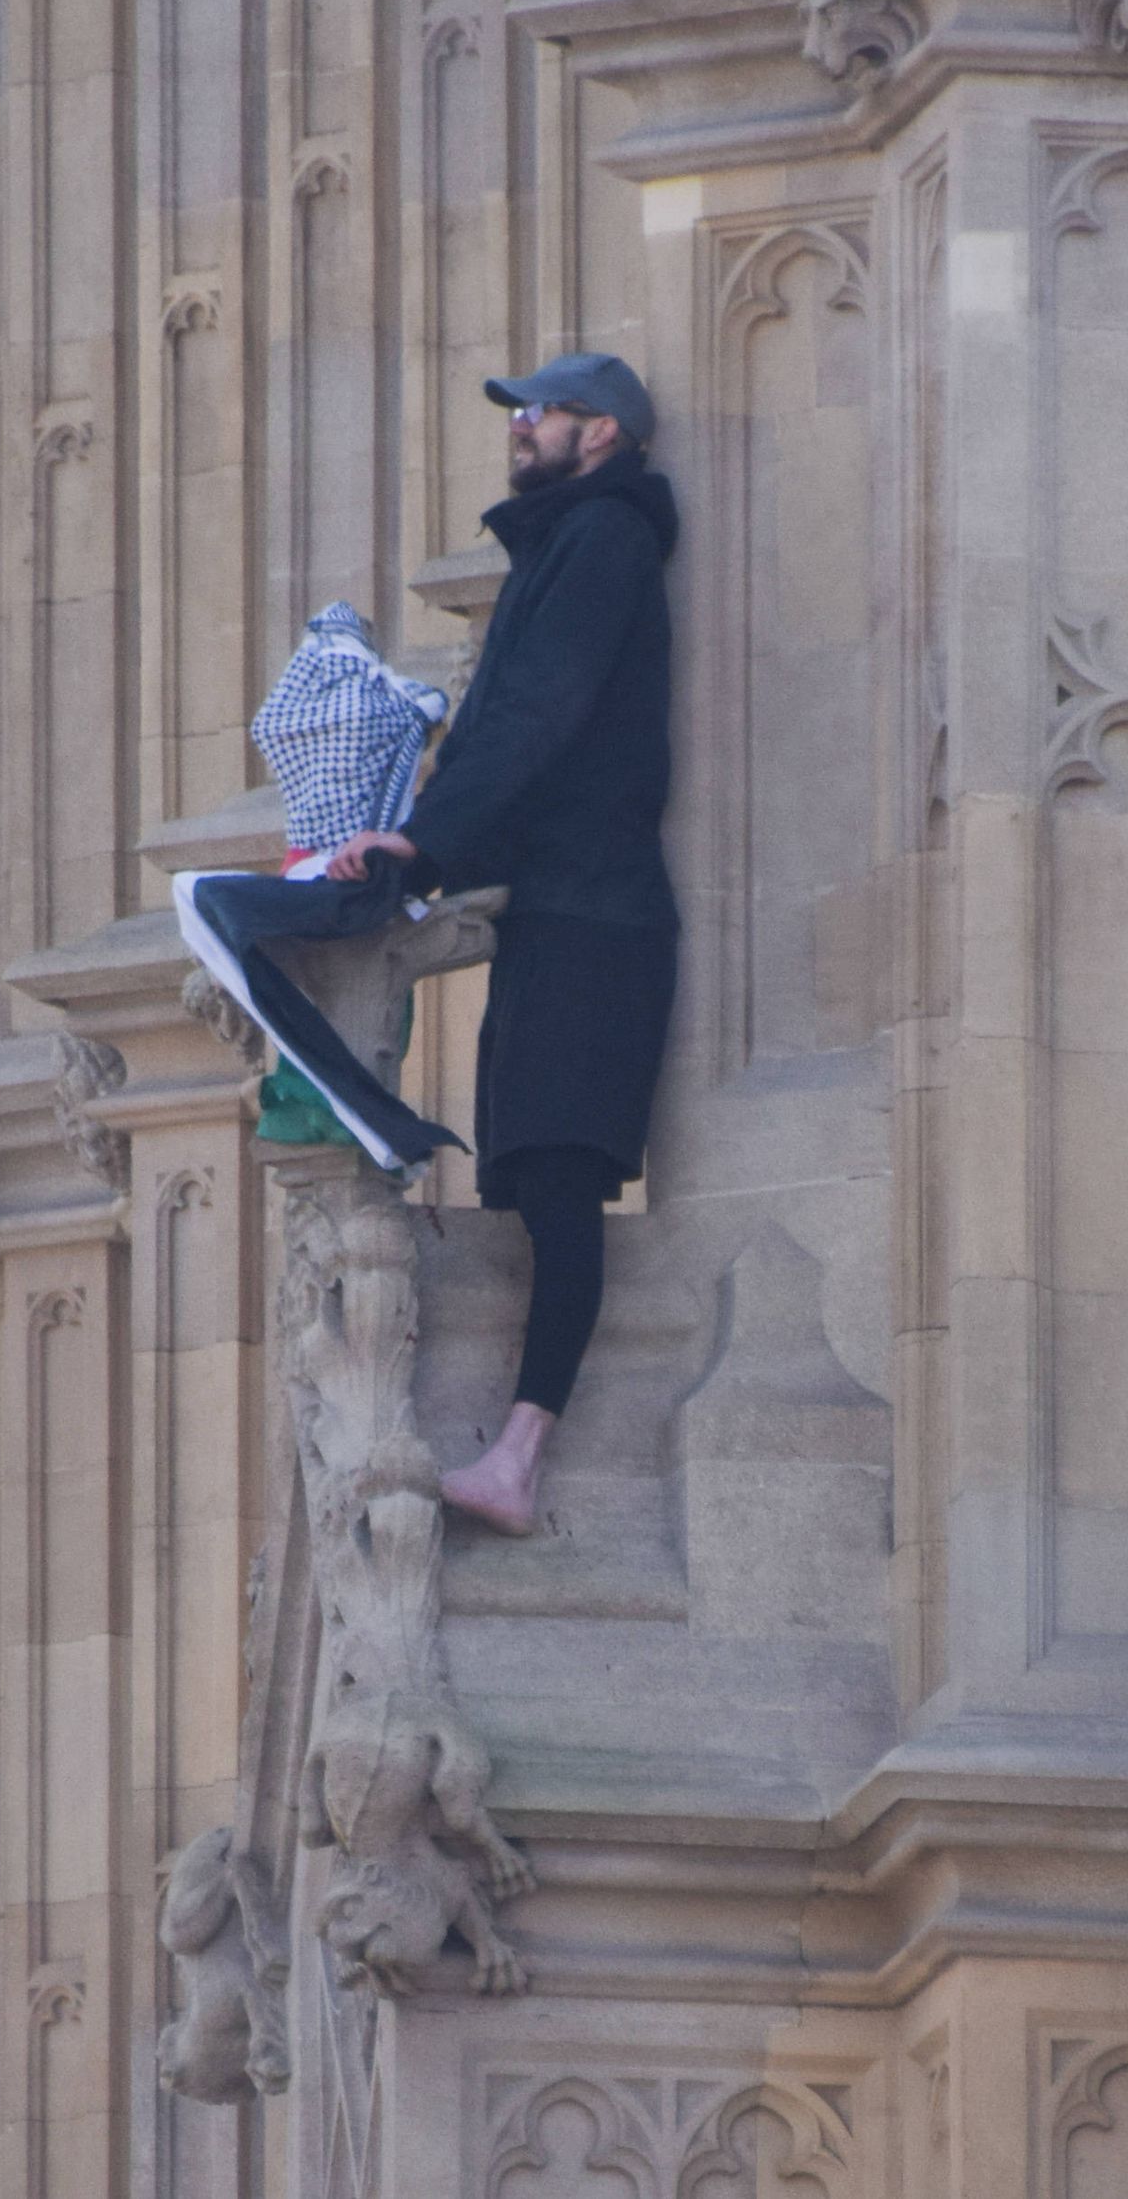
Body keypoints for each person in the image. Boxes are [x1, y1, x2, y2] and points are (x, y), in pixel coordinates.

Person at [325, 351, 679, 1537]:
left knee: (561, 1184)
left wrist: (422, 851)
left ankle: (520, 1459)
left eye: (546, 409)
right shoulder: (561, 545)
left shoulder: (604, 541)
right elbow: (501, 733)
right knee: (529, 1177)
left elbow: (539, 719)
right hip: (555, 908)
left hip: (602, 916)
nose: (521, 424)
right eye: (521, 409)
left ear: (607, 434)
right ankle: (516, 1454)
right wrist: (417, 844)